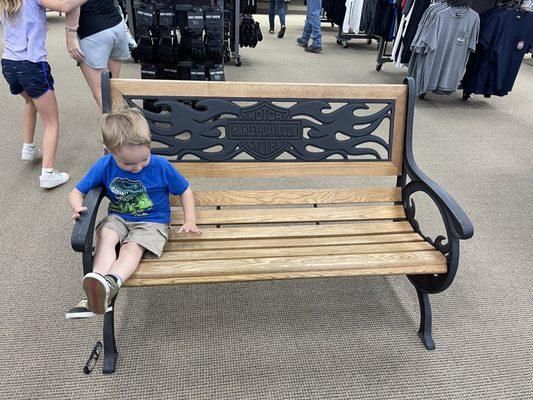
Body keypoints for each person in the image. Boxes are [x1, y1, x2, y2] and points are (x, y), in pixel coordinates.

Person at [67, 107, 201, 318]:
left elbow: (184, 189)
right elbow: (76, 193)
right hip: (119, 217)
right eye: (129, 163)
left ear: (149, 144)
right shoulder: (104, 165)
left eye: (144, 159)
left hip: (152, 222)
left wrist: (190, 219)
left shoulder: (160, 166)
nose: (138, 167)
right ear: (110, 151)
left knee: (132, 247)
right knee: (106, 236)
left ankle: (111, 283)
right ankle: (97, 283)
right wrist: (77, 207)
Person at [1, 0, 89, 188]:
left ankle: (28, 148)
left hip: (9, 64)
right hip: (31, 64)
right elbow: (65, 6)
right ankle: (48, 174)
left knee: (30, 102)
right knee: (51, 122)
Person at [64, 0, 130, 109]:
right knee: (114, 89)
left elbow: (73, 4)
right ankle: (123, 123)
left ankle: (115, 125)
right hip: (116, 25)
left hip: (92, 31)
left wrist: (70, 36)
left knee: (101, 94)